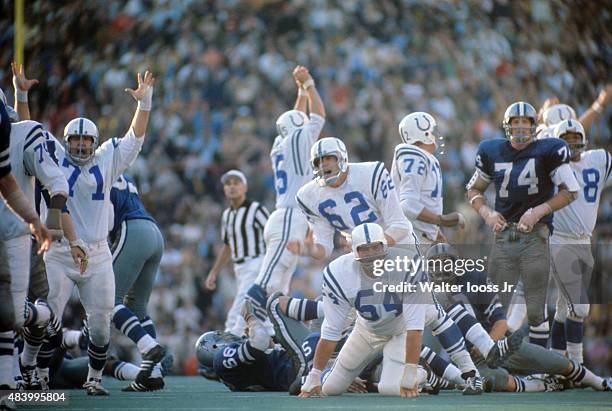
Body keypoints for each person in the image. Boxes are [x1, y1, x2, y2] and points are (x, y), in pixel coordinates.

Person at [294, 138, 482, 392]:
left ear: (342, 158)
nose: (324, 165)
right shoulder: (308, 195)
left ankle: (469, 372)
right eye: (318, 161)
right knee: (375, 317)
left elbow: (400, 224)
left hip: (395, 246)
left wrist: (376, 247)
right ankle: (403, 372)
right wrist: (307, 249)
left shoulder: (370, 173)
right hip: (361, 255)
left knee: (429, 312)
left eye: (328, 158)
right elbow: (324, 247)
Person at [42, 71, 155, 395]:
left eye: (85, 140)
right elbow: (28, 133)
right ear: (67, 141)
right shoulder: (54, 158)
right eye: (75, 140)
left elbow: (135, 136)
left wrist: (144, 102)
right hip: (61, 250)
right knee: (47, 319)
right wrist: (22, 98)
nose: (80, 145)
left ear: (94, 141)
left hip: (97, 252)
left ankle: (94, 379)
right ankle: (37, 377)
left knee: (102, 327)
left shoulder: (107, 157)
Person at [466, 101, 580, 348]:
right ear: (507, 126)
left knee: (536, 309)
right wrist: (486, 213)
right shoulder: (490, 150)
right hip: (504, 236)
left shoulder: (549, 150)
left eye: (524, 122)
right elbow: (474, 189)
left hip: (535, 236)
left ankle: (540, 370)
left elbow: (570, 190)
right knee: (494, 307)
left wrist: (539, 211)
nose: (519, 127)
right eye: (515, 122)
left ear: (533, 125)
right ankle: (489, 361)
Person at [426, 243, 612, 393]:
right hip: (467, 358)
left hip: (498, 345)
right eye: (435, 265)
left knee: (556, 362)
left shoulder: (475, 279)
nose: (441, 270)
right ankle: (542, 385)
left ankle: (598, 381)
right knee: (495, 380)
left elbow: (500, 321)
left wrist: (489, 343)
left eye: (445, 263)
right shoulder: (428, 292)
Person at [300, 223, 430, 398]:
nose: (371, 254)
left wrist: (411, 370)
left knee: (391, 388)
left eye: (376, 247)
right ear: (354, 251)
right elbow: (331, 330)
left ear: (385, 246)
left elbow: (415, 327)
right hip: (367, 329)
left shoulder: (408, 264)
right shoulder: (339, 272)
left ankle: (425, 375)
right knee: (330, 388)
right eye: (364, 249)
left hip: (401, 330)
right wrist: (314, 375)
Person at [244, 65, 325, 335]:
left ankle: (268, 336)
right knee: (264, 285)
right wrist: (309, 84)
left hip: (286, 217)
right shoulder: (297, 138)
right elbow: (318, 117)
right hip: (289, 216)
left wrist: (300, 92)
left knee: (278, 290)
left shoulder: (281, 143)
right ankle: (244, 321)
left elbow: (295, 118)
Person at [547, 119, 610, 364]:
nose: (572, 142)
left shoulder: (599, 158)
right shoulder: (551, 165)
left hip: (584, 241)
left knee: (565, 309)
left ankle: (556, 365)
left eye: (575, 137)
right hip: (559, 240)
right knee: (580, 307)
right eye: (566, 138)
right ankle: (577, 365)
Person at [0, 96, 50, 390]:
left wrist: (34, 220)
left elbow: (6, 181)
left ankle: (7, 384)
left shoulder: (10, 133)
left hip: (9, 230)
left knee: (9, 314)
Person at [109, 173, 166, 392]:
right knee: (137, 307)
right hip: (154, 232)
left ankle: (148, 346)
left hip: (131, 230)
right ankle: (153, 371)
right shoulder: (124, 173)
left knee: (107, 300)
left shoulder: (97, 169)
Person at [205, 170, 269, 338]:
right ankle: (269, 338)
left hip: (257, 261)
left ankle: (230, 341)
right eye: (228, 184)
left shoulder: (256, 209)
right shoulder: (227, 215)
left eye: (236, 183)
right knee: (256, 308)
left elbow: (271, 235)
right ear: (224, 189)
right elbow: (227, 246)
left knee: (240, 305)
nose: (232, 187)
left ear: (245, 186)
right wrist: (214, 271)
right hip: (239, 268)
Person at [391, 111, 465, 245]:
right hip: (411, 239)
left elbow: (422, 200)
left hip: (419, 235)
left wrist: (434, 231)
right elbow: (408, 206)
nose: (437, 135)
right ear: (422, 133)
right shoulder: (414, 156)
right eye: (433, 130)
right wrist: (440, 220)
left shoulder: (423, 157)